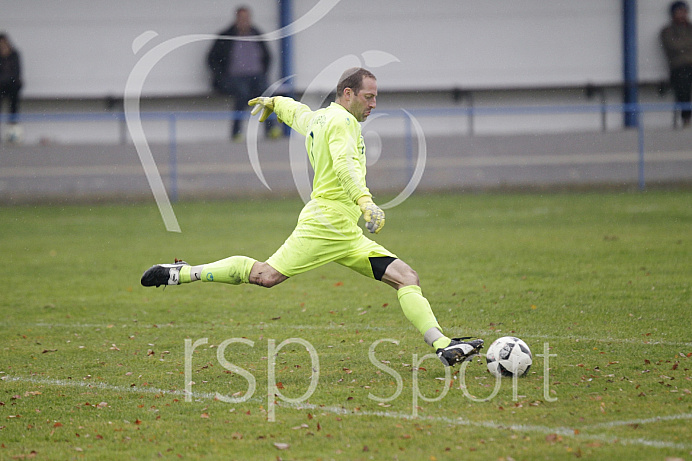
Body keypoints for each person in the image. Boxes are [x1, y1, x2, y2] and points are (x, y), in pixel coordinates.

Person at [141, 68, 483, 367]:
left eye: (376, 97)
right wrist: (366, 202)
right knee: (265, 275)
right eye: (369, 97)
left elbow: (298, 114)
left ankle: (442, 345)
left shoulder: (323, 117)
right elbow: (345, 165)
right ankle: (182, 273)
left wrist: (275, 103)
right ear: (348, 94)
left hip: (344, 231)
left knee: (406, 277)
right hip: (325, 225)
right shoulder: (342, 123)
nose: (373, 104)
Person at [206, 6, 280, 141]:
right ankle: (237, 132)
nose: (244, 21)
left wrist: (263, 73)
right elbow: (212, 58)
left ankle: (271, 129)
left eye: (246, 18)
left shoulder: (257, 34)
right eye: (241, 18)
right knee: (242, 94)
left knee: (267, 94)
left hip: (256, 76)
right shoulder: (225, 36)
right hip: (234, 78)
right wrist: (221, 77)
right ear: (236, 19)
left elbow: (268, 57)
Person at [661, 1, 692, 127]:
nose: (682, 15)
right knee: (683, 88)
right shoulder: (667, 31)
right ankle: (686, 119)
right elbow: (673, 46)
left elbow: (680, 46)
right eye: (678, 12)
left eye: (684, 11)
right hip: (679, 67)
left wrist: (683, 45)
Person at [0, 33, 23, 139]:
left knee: (13, 106)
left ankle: (13, 131)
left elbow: (16, 73)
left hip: (12, 86)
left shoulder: (14, 54)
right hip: (1, 86)